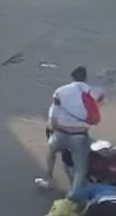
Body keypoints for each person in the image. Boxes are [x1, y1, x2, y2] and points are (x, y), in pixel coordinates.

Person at [34, 66, 103, 199]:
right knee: (80, 169)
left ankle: (48, 180)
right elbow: (95, 119)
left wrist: (53, 128)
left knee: (51, 152)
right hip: (79, 137)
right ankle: (73, 194)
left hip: (60, 133)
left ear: (72, 77)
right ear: (85, 78)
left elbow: (54, 114)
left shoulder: (61, 91)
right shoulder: (90, 93)